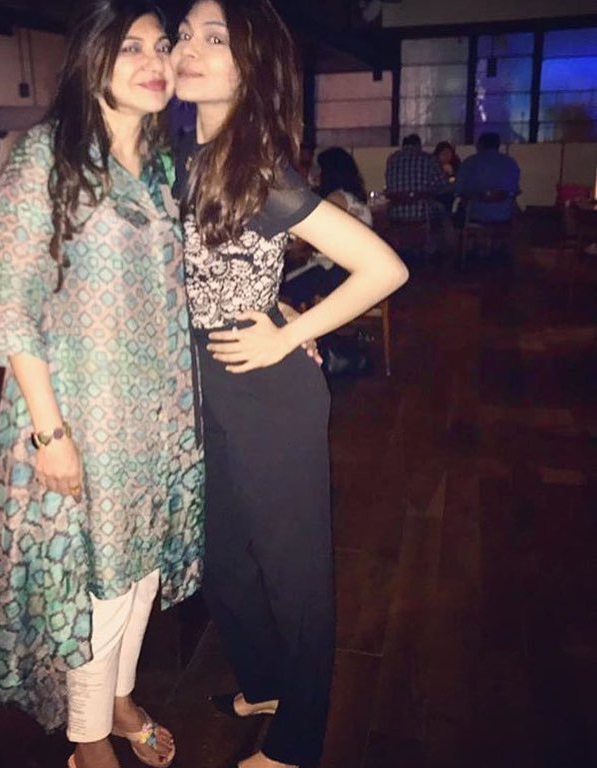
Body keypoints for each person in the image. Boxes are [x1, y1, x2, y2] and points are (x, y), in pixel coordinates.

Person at [171, 3, 409, 768]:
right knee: (225, 562)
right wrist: (280, 308)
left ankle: (298, 741)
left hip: (267, 390)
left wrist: (288, 332)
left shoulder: (258, 169)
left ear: (250, 66)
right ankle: (268, 684)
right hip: (207, 384)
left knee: (293, 572)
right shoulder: (184, 158)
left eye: (214, 39)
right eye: (184, 34)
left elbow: (383, 267)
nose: (188, 49)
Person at [0, 4, 204, 768]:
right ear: (92, 59)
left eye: (161, 46)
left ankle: (121, 698)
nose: (155, 62)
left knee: (141, 575)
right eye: (131, 47)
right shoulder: (45, 156)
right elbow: (13, 307)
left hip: (161, 414)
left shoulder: (164, 166)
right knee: (98, 590)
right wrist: (51, 433)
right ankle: (87, 740)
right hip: (83, 414)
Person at [282, 146, 372, 308]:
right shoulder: (354, 198)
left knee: (281, 288)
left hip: (335, 274)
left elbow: (309, 236)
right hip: (353, 271)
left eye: (319, 170)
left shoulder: (336, 199)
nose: (315, 174)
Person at [454, 132, 521, 223]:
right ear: (498, 146)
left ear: (480, 145)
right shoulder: (510, 163)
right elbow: (514, 189)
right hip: (504, 214)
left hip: (474, 213)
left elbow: (458, 189)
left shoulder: (469, 162)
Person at [385, 133, 447, 222]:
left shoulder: (392, 160)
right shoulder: (429, 159)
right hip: (424, 212)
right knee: (444, 208)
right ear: (419, 145)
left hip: (395, 213)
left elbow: (389, 186)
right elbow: (442, 185)